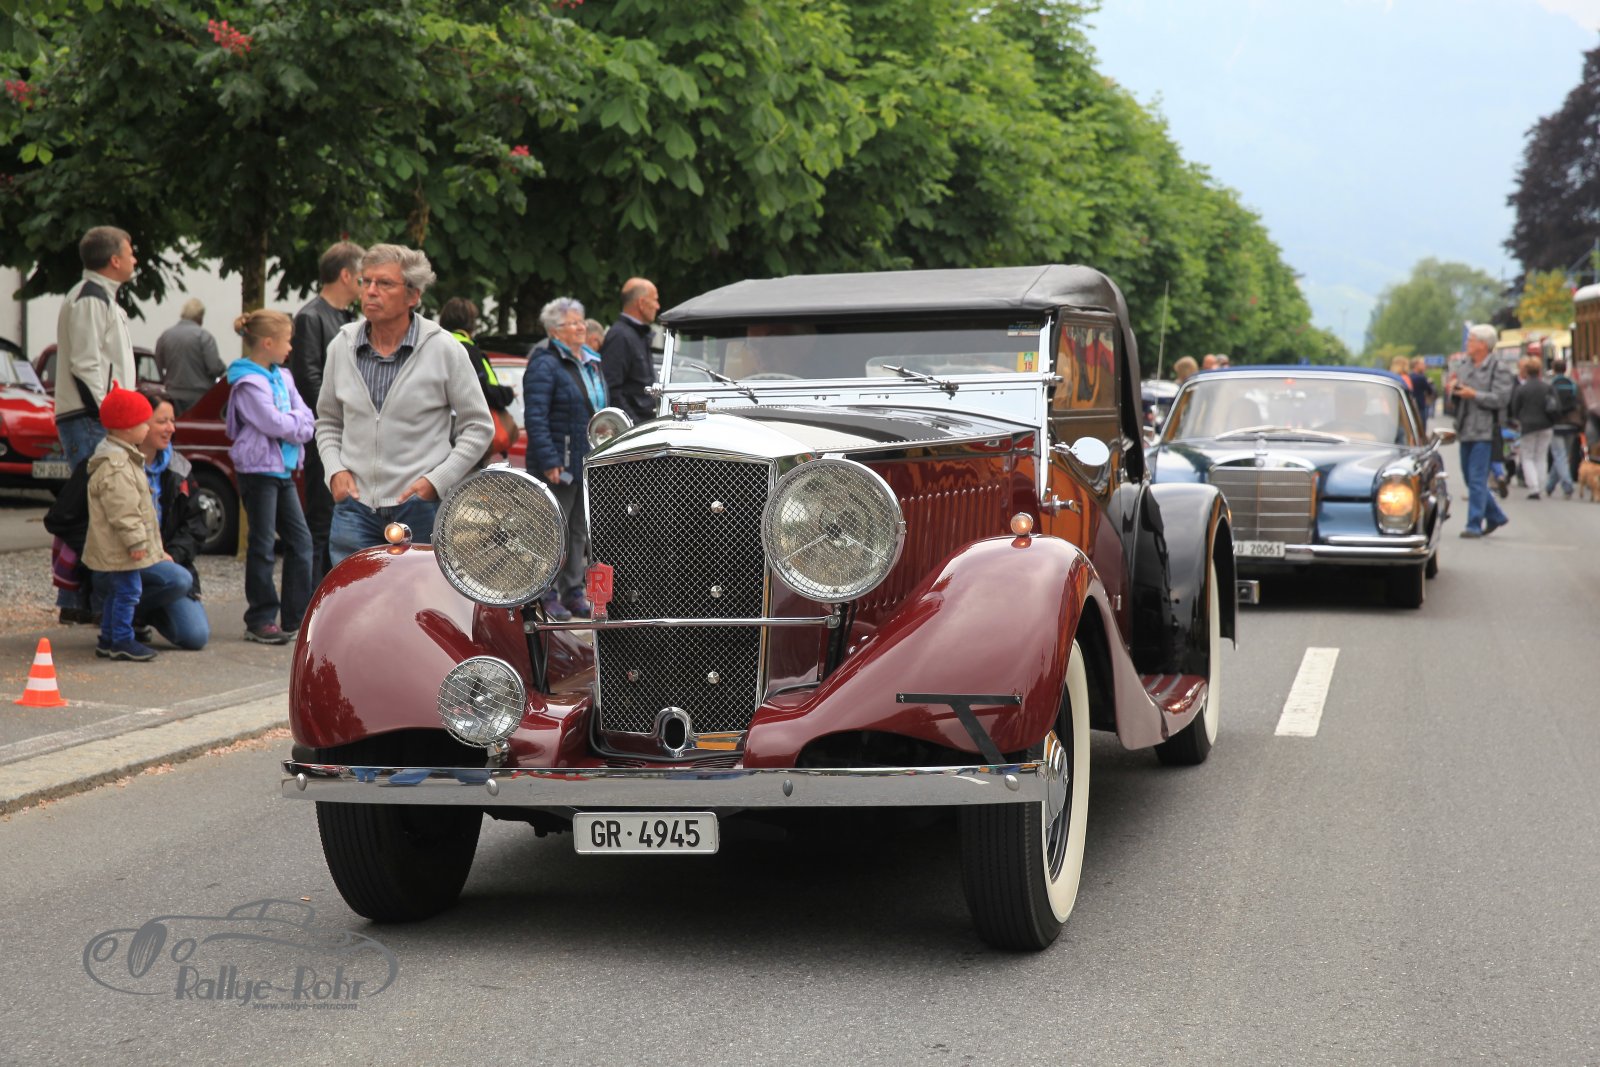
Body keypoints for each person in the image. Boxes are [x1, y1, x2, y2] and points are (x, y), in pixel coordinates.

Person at [316, 245, 491, 565]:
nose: (371, 291)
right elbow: (328, 421)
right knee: (353, 595)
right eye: (366, 281)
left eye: (384, 283)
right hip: (354, 507)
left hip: (420, 508)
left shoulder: (444, 348)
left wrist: (435, 482)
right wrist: (335, 471)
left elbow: (478, 426)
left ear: (413, 295)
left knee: (420, 595)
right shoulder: (342, 345)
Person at [44, 387, 211, 651]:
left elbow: (196, 524)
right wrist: (107, 545)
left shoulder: (179, 467)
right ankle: (119, 634)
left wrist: (173, 554)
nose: (171, 428)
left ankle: (130, 620)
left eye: (172, 420)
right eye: (161, 421)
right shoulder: (113, 465)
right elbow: (65, 518)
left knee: (194, 634)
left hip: (157, 562)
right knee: (171, 581)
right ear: (132, 426)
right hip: (122, 560)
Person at [53, 226, 139, 624]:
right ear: (114, 260)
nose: (135, 259)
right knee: (93, 509)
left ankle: (81, 600)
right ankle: (82, 601)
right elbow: (86, 364)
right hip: (90, 419)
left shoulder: (102, 297)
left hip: (95, 417)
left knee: (93, 508)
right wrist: (111, 417)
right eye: (131, 252)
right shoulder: (90, 298)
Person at [227, 309, 316, 644]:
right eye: (287, 341)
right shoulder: (248, 383)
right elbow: (272, 423)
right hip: (258, 471)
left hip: (283, 469)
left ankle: (295, 617)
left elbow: (306, 418)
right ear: (268, 342)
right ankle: (260, 618)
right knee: (263, 545)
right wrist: (296, 423)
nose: (291, 347)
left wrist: (293, 422)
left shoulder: (284, 377)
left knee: (301, 542)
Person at [524, 296, 607, 621]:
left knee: (578, 530)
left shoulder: (590, 361)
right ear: (554, 331)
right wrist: (549, 460)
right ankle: (546, 594)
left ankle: (573, 591)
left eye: (580, 321)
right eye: (571, 323)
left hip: (585, 460)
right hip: (558, 462)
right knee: (550, 531)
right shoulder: (544, 363)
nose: (580, 327)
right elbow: (535, 416)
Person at [290, 241, 364, 588]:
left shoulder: (349, 319)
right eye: (363, 277)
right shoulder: (311, 316)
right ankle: (314, 603)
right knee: (321, 522)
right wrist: (342, 416)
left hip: (348, 435)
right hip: (326, 436)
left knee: (343, 520)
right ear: (346, 275)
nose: (367, 286)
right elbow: (308, 378)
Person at [83, 386, 161, 661]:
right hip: (122, 546)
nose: (148, 428)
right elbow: (123, 510)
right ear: (127, 428)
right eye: (144, 423)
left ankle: (108, 638)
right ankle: (121, 639)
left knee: (118, 591)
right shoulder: (117, 466)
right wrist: (136, 541)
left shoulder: (121, 458)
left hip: (118, 545)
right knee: (128, 592)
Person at [1448, 324, 1514, 537]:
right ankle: (1495, 515)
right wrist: (1454, 391)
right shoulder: (1465, 365)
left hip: (1485, 430)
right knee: (1469, 477)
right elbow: (1458, 391)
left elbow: (1501, 399)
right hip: (1465, 428)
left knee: (1477, 479)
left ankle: (1473, 524)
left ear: (1483, 345)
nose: (1467, 344)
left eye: (1471, 340)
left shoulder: (1499, 368)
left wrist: (1474, 394)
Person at [438, 297, 518, 466]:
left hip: (438, 430)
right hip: (466, 430)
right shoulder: (467, 349)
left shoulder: (435, 346)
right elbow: (483, 392)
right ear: (470, 323)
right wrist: (508, 393)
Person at [599, 277, 660, 423]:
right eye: (655, 300)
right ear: (641, 303)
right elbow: (611, 389)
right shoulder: (620, 336)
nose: (658, 306)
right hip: (635, 429)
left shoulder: (636, 335)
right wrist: (634, 425)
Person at [154, 298, 225, 413]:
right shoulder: (204, 336)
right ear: (200, 317)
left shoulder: (165, 336)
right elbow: (214, 368)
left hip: (172, 395)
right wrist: (223, 369)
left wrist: (165, 381)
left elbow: (158, 364)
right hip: (199, 397)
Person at [1508, 356, 1555, 500]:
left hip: (1528, 426)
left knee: (1527, 456)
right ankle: (1541, 485)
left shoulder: (1522, 389)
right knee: (1541, 456)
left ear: (1526, 372)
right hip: (1546, 425)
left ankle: (1533, 487)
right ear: (1540, 371)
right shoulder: (1547, 387)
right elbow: (1555, 406)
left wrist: (1520, 419)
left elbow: (1515, 408)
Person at [1546, 357, 1580, 497]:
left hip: (1556, 424)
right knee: (1562, 456)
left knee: (1559, 456)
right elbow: (1579, 403)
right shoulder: (1572, 384)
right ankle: (1550, 486)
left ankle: (1567, 485)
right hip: (1571, 424)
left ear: (1554, 369)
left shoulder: (1551, 384)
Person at [1409, 356, 1436, 432]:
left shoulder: (1409, 376)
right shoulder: (1421, 378)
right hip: (1420, 405)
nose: (1424, 366)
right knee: (1421, 429)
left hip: (1411, 406)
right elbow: (1430, 391)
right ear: (1416, 365)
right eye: (1422, 364)